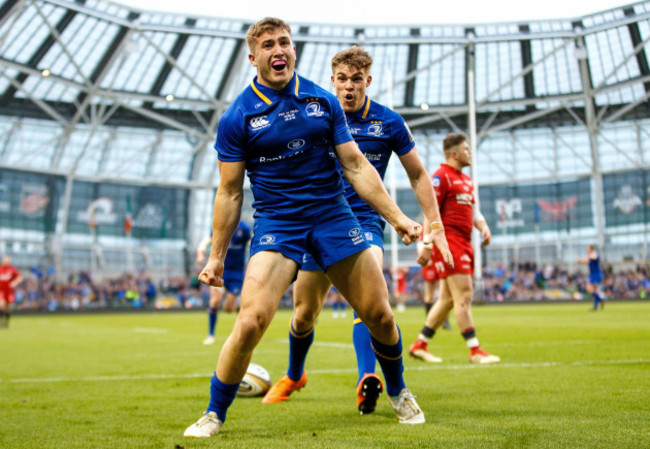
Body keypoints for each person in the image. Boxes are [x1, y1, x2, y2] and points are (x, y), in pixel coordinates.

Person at [184, 18, 428, 438]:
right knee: (251, 321)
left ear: (293, 50)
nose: (278, 50)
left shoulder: (321, 100)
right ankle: (213, 413)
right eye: (268, 45)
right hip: (279, 224)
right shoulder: (237, 116)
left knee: (380, 316)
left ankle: (400, 391)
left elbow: (355, 164)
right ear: (254, 56)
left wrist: (399, 218)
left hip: (333, 217)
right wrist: (216, 258)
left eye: (284, 43)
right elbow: (229, 193)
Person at [260, 46, 452, 416]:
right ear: (332, 81)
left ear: (368, 81)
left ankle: (369, 378)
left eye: (357, 80)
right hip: (318, 221)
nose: (349, 87)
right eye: (343, 80)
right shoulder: (312, 116)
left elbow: (417, 174)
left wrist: (435, 223)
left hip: (364, 221)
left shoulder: (388, 122)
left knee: (371, 302)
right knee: (303, 314)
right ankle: (294, 375)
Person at [409, 133, 500, 364]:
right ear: (454, 153)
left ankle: (420, 344)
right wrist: (426, 244)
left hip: (465, 241)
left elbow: (474, 210)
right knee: (464, 296)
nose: (470, 153)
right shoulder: (440, 177)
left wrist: (483, 227)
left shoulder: (466, 181)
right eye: (466, 149)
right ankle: (475, 350)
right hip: (450, 242)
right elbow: (431, 211)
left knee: (448, 300)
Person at [196, 220, 252, 345]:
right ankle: (211, 334)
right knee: (215, 301)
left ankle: (237, 306)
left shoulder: (244, 229)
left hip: (237, 273)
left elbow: (252, 244)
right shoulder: (221, 224)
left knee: (228, 308)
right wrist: (200, 254)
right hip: (220, 270)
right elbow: (207, 241)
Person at [577, 244, 604, 311]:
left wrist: (589, 256)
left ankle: (600, 300)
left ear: (591, 248)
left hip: (596, 274)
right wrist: (580, 260)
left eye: (588, 248)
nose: (587, 249)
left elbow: (595, 257)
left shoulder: (594, 253)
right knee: (594, 291)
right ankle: (595, 306)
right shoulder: (590, 255)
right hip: (593, 274)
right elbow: (586, 261)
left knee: (589, 288)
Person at [0, 256, 23, 328]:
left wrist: (15, 283)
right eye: (4, 261)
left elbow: (19, 278)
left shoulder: (12, 269)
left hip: (9, 291)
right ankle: (1, 321)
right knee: (1, 305)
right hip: (1, 291)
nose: (6, 263)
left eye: (7, 261)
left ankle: (6, 322)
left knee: (8, 307)